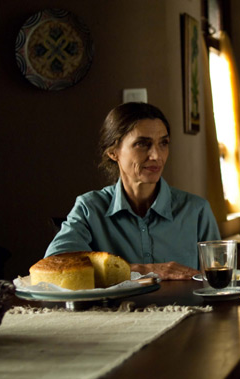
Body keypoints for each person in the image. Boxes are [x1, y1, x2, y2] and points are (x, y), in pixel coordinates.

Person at [45, 102, 221, 280]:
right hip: (113, 309)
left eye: (163, 143)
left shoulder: (197, 211)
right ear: (113, 152)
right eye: (142, 144)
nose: (156, 156)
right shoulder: (89, 208)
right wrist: (143, 270)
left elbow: (219, 281)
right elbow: (55, 263)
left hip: (188, 308)